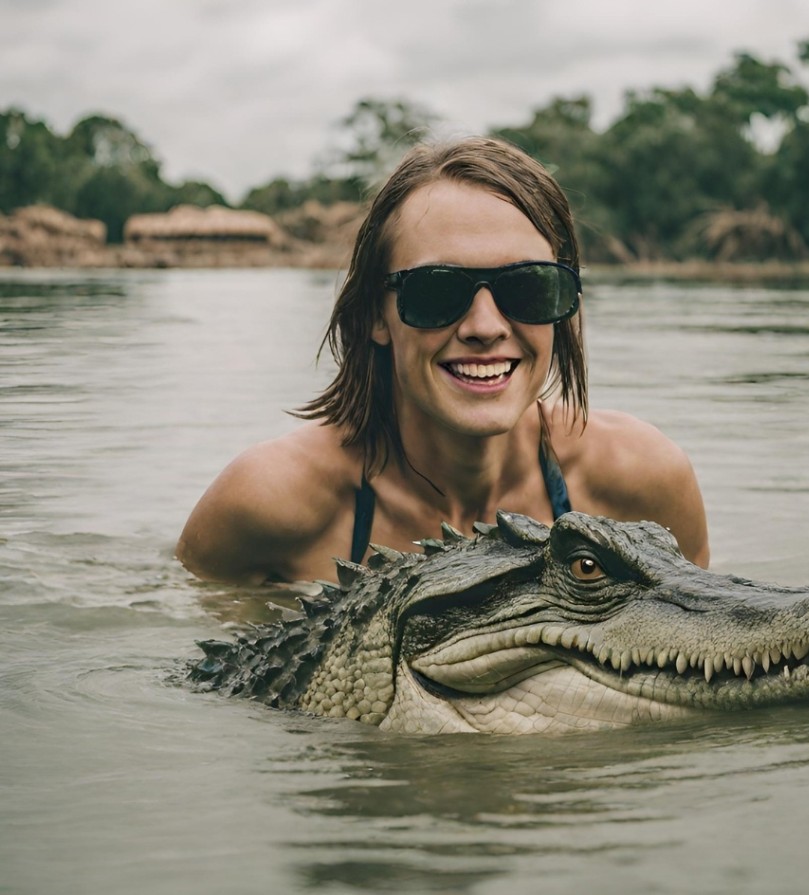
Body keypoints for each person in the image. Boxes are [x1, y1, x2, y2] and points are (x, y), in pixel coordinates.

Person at [176, 137, 709, 584]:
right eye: (436, 291)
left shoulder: (641, 485)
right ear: (375, 317)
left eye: (528, 287)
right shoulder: (270, 504)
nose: (485, 327)